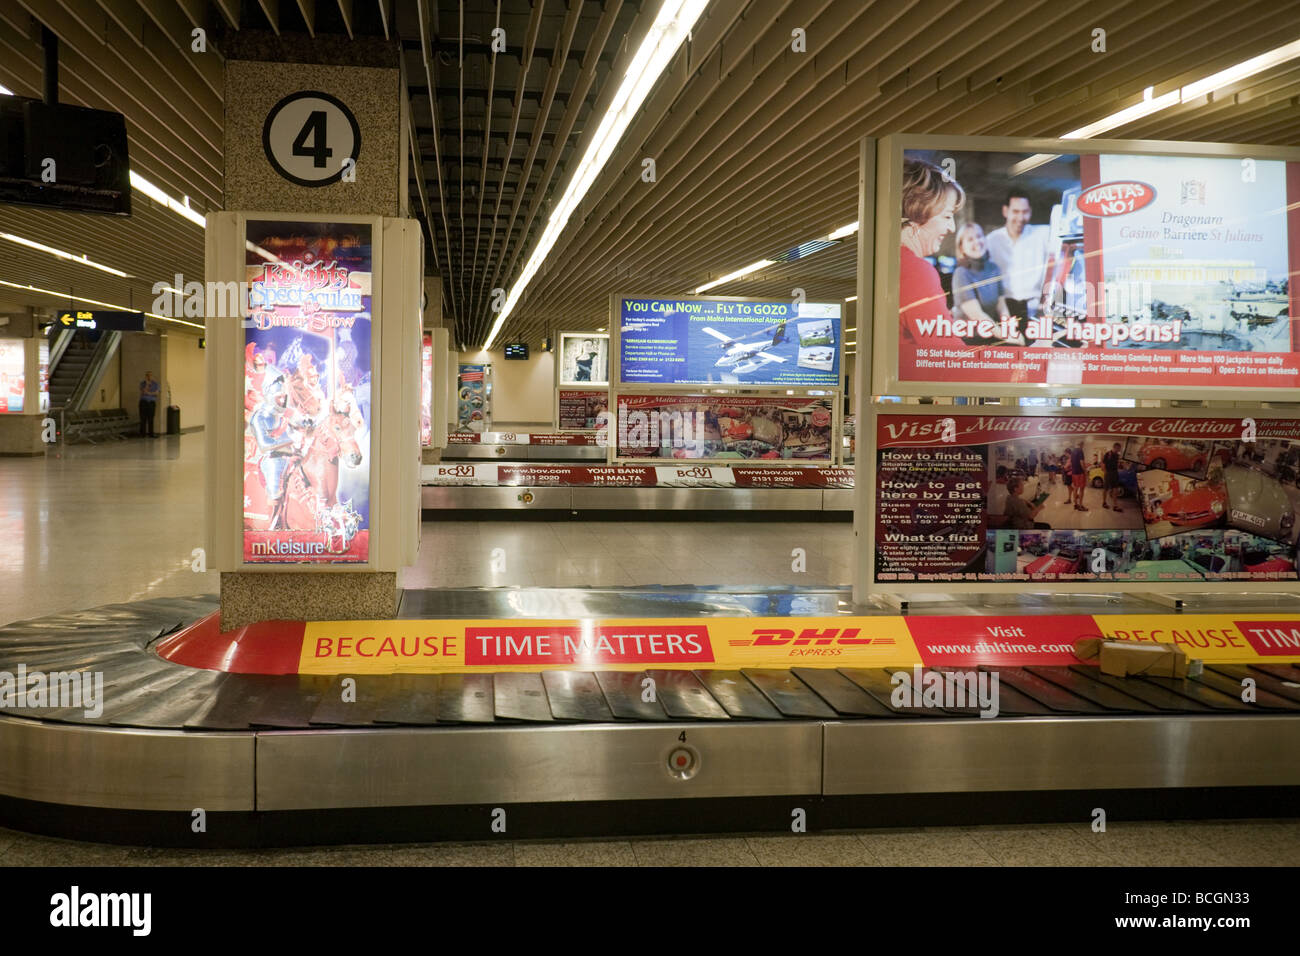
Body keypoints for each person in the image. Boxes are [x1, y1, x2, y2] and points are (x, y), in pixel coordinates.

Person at [898, 158, 969, 361]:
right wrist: (1029, 358)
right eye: (947, 217)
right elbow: (955, 361)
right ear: (918, 215)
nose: (952, 228)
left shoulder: (894, 264)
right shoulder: (916, 272)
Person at [986, 191, 1055, 341]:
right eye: (1015, 212)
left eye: (1025, 212)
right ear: (1006, 211)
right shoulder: (991, 240)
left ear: (1030, 212)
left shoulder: (1043, 234)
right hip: (1004, 311)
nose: (1020, 218)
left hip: (1035, 310)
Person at [951, 223, 1010, 342]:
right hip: (967, 340)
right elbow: (977, 315)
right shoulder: (961, 273)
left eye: (979, 236)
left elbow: (1001, 306)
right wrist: (1007, 337)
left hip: (990, 334)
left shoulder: (994, 268)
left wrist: (1010, 329)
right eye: (970, 239)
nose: (977, 241)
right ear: (962, 247)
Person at [139, 370, 161, 437]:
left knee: (151, 418)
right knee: (143, 418)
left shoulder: (156, 384)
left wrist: (148, 393)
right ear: (145, 376)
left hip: (151, 403)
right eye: (147, 375)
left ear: (152, 376)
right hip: (143, 402)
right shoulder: (142, 383)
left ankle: (151, 433)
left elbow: (157, 393)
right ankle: (143, 434)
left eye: (150, 375)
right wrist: (147, 385)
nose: (149, 377)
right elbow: (143, 392)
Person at [1101, 442, 1123, 510]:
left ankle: (1115, 505)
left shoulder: (1117, 455)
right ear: (1115, 447)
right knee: (1105, 489)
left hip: (1115, 473)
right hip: (1108, 473)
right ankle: (1104, 502)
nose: (1119, 450)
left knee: (1115, 489)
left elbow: (1117, 464)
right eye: (1119, 448)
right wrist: (1105, 472)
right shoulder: (1108, 454)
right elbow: (1103, 464)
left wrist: (1119, 467)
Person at [1069, 442, 1088, 511]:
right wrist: (1085, 471)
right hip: (1080, 473)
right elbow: (1081, 462)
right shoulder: (1080, 450)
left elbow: (1071, 462)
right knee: (1082, 489)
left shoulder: (1073, 451)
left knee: (1075, 488)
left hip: (1074, 473)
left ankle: (1075, 504)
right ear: (1082, 444)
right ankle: (1080, 505)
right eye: (1083, 445)